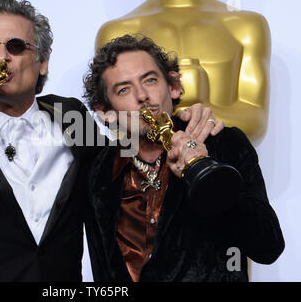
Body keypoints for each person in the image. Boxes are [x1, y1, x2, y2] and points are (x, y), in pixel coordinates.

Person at [0, 0, 221, 282]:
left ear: (42, 62)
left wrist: (184, 118)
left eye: (15, 46)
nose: (1, 56)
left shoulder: (70, 116)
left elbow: (126, 157)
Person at [83, 34, 284, 282]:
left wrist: (208, 178)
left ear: (173, 85)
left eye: (150, 80)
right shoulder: (97, 172)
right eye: (124, 89)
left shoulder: (222, 143)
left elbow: (268, 246)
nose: (142, 95)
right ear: (105, 112)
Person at [95, 0, 271, 143]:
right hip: (147, 174)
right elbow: (116, 125)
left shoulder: (246, 27)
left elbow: (256, 122)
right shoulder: (116, 32)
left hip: (226, 170)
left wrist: (200, 116)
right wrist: (182, 117)